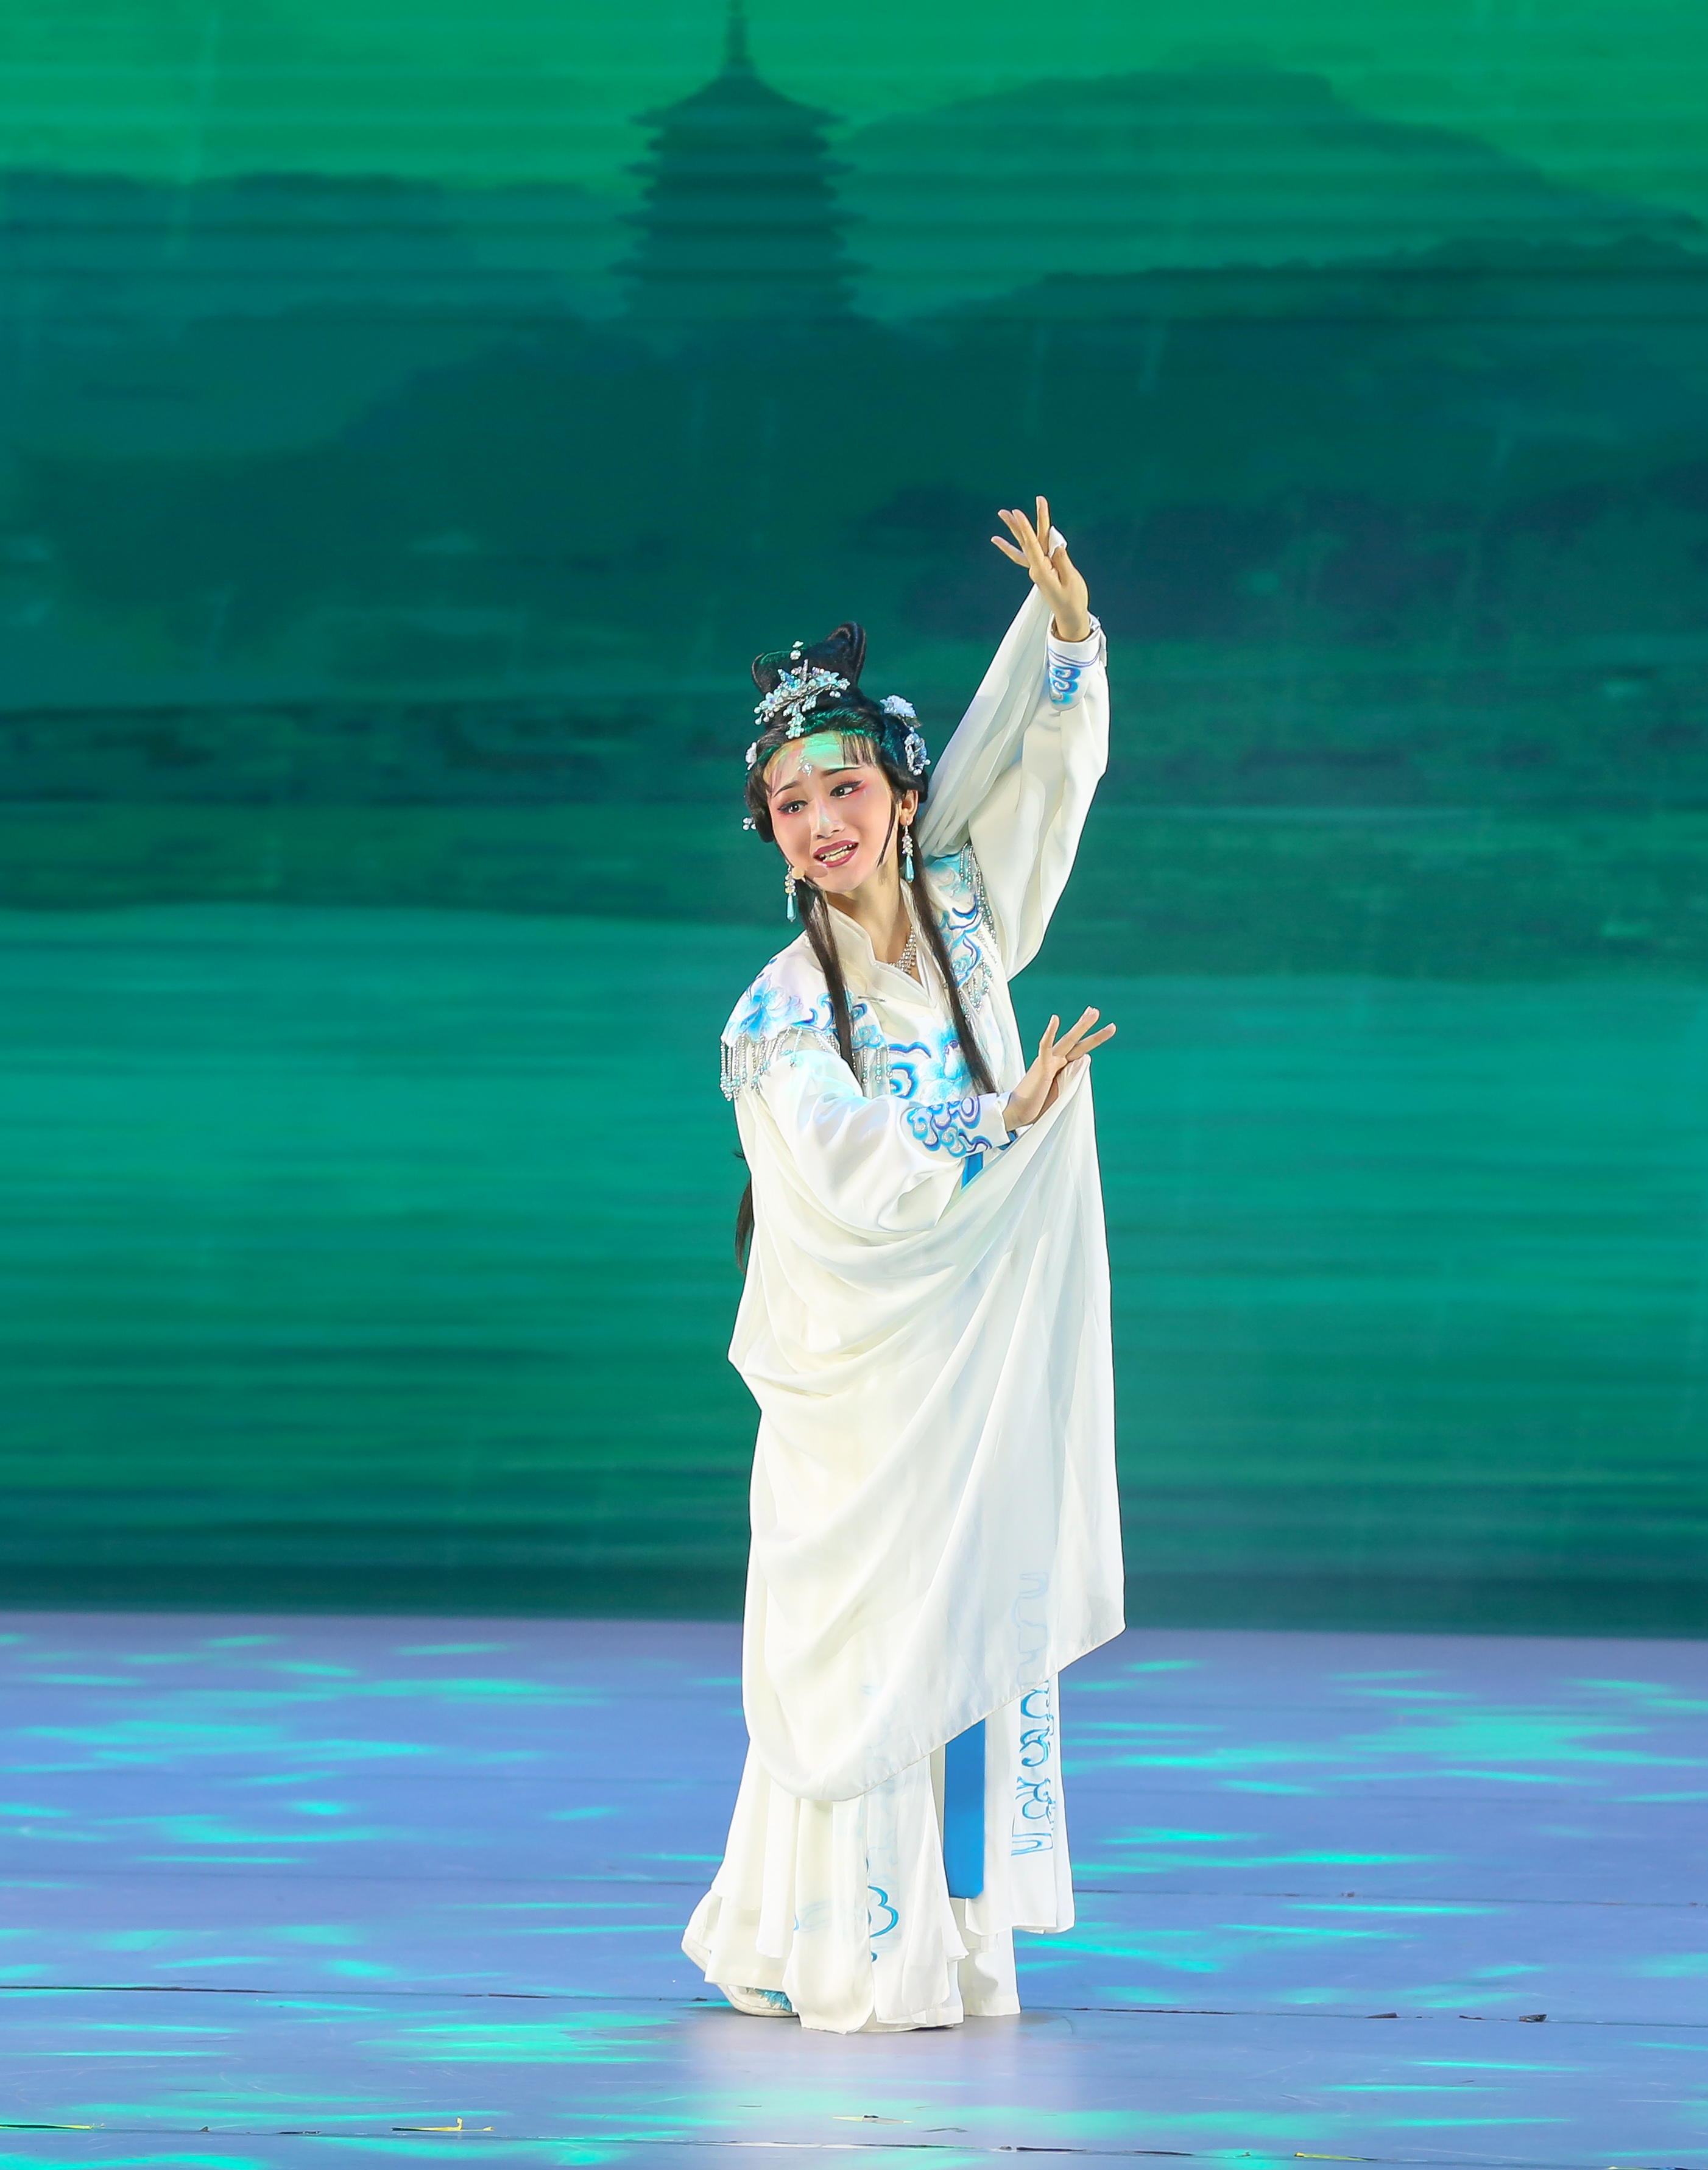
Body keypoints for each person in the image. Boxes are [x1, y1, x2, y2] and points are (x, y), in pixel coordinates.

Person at [681, 498, 1123, 2034]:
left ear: (899, 791)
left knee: (968, 1636)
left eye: (844, 785)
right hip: (866, 1389)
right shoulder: (777, 1015)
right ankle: (844, 1938)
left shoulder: (969, 916)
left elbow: (1040, 774)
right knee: (868, 1653)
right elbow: (843, 1173)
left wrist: (1065, 636)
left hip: (973, 1359)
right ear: (767, 828)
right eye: (790, 800)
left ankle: (954, 1930)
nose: (822, 819)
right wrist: (995, 1124)